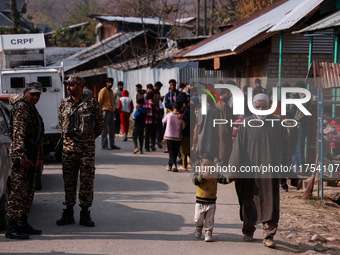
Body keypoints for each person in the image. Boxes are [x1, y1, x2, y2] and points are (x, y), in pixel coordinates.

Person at [228, 93, 288, 248]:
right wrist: (234, 170)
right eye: (258, 107)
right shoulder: (246, 124)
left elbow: (286, 148)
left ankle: (269, 236)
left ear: (269, 107)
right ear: (253, 107)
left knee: (270, 202)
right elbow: (238, 149)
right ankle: (248, 230)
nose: (261, 109)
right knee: (249, 201)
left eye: (264, 106)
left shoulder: (277, 124)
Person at [57, 75, 104, 227]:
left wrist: (87, 139)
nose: (68, 87)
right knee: (69, 182)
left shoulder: (92, 104)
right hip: (68, 151)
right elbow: (60, 122)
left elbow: (100, 125)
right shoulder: (63, 103)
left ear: (80, 85)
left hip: (86, 151)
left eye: (71, 84)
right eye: (67, 85)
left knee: (87, 182)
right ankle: (68, 213)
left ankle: (85, 213)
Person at [6, 82, 45, 239]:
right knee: (19, 192)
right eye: (32, 94)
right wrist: (21, 156)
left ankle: (23, 223)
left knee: (28, 191)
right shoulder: (22, 107)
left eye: (38, 94)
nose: (35, 97)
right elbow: (18, 133)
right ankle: (12, 228)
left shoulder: (30, 106)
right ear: (25, 92)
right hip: (23, 156)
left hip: (31, 153)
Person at [193, 159, 232, 242]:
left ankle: (208, 232)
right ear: (200, 165)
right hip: (200, 202)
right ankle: (199, 227)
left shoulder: (215, 174)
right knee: (198, 218)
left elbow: (223, 180)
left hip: (211, 202)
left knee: (210, 219)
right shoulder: (198, 172)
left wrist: (231, 179)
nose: (207, 167)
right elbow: (195, 181)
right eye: (205, 165)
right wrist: (203, 176)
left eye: (210, 165)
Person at [98, 78, 120, 150]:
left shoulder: (111, 92)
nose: (110, 84)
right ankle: (104, 145)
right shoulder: (103, 91)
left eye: (111, 83)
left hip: (111, 111)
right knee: (104, 129)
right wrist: (99, 112)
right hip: (105, 111)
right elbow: (99, 102)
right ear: (106, 83)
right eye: (109, 83)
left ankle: (112, 144)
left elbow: (112, 102)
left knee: (112, 129)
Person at [162, 101, 185, 172]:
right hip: (177, 137)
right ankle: (172, 165)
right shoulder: (180, 117)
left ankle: (172, 164)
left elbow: (163, 121)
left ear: (173, 107)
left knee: (171, 151)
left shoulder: (169, 115)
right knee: (175, 152)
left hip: (169, 136)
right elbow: (183, 127)